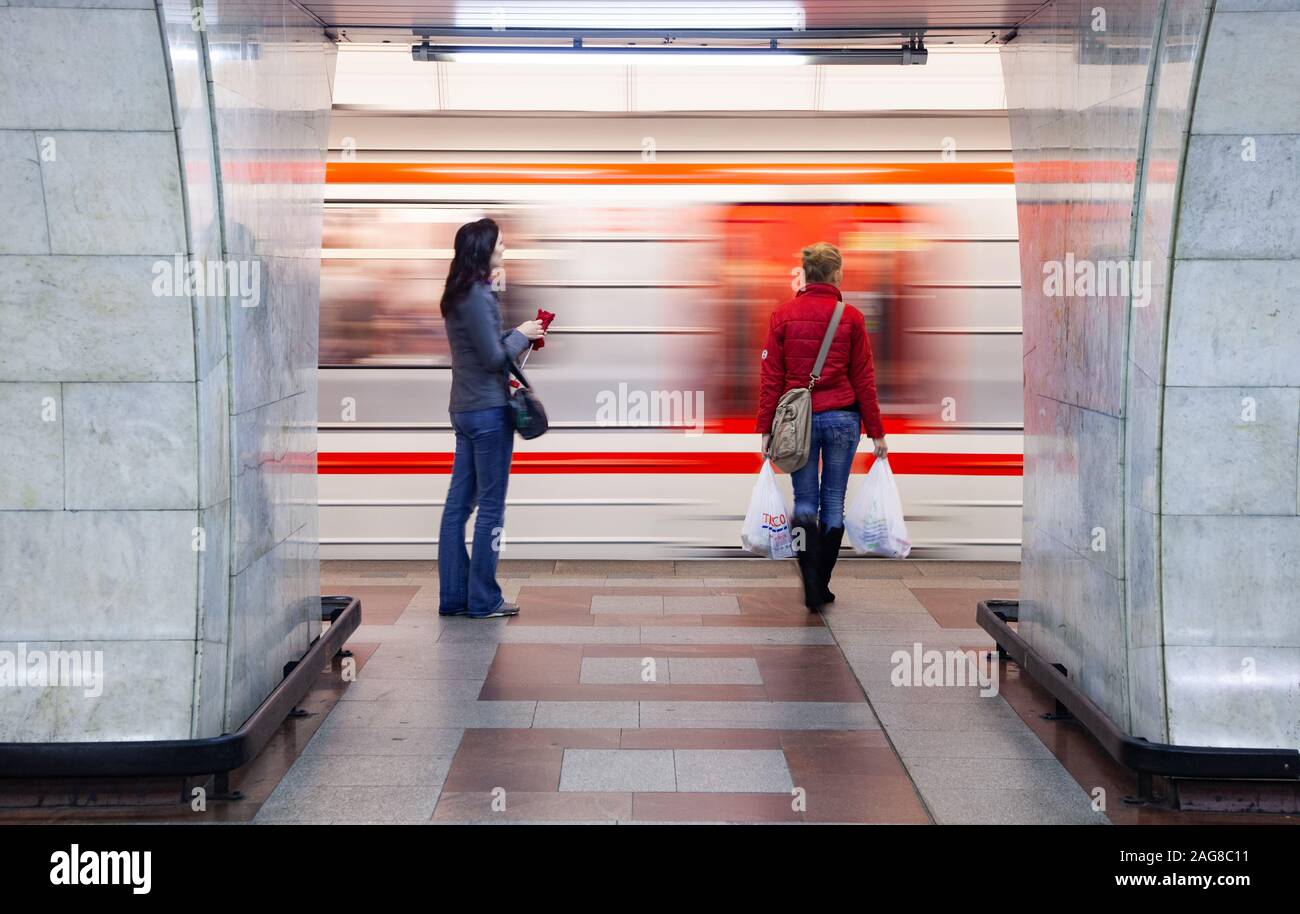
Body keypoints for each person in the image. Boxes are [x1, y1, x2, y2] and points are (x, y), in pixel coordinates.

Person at [756, 242, 887, 611]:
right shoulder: (852, 318)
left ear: (806, 274)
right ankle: (823, 580)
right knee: (833, 502)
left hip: (798, 423)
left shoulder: (782, 316)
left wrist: (765, 429)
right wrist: (876, 430)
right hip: (844, 419)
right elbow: (864, 379)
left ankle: (810, 580)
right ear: (836, 274)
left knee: (804, 503)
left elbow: (771, 379)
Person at [437, 218, 545, 618]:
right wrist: (520, 333)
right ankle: (483, 599)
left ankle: (453, 596)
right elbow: (492, 358)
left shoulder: (455, 294)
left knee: (457, 508)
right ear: (483, 249)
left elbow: (482, 348)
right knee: (490, 508)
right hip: (487, 413)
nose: (504, 249)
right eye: (500, 244)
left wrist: (518, 336)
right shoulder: (477, 295)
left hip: (464, 410)